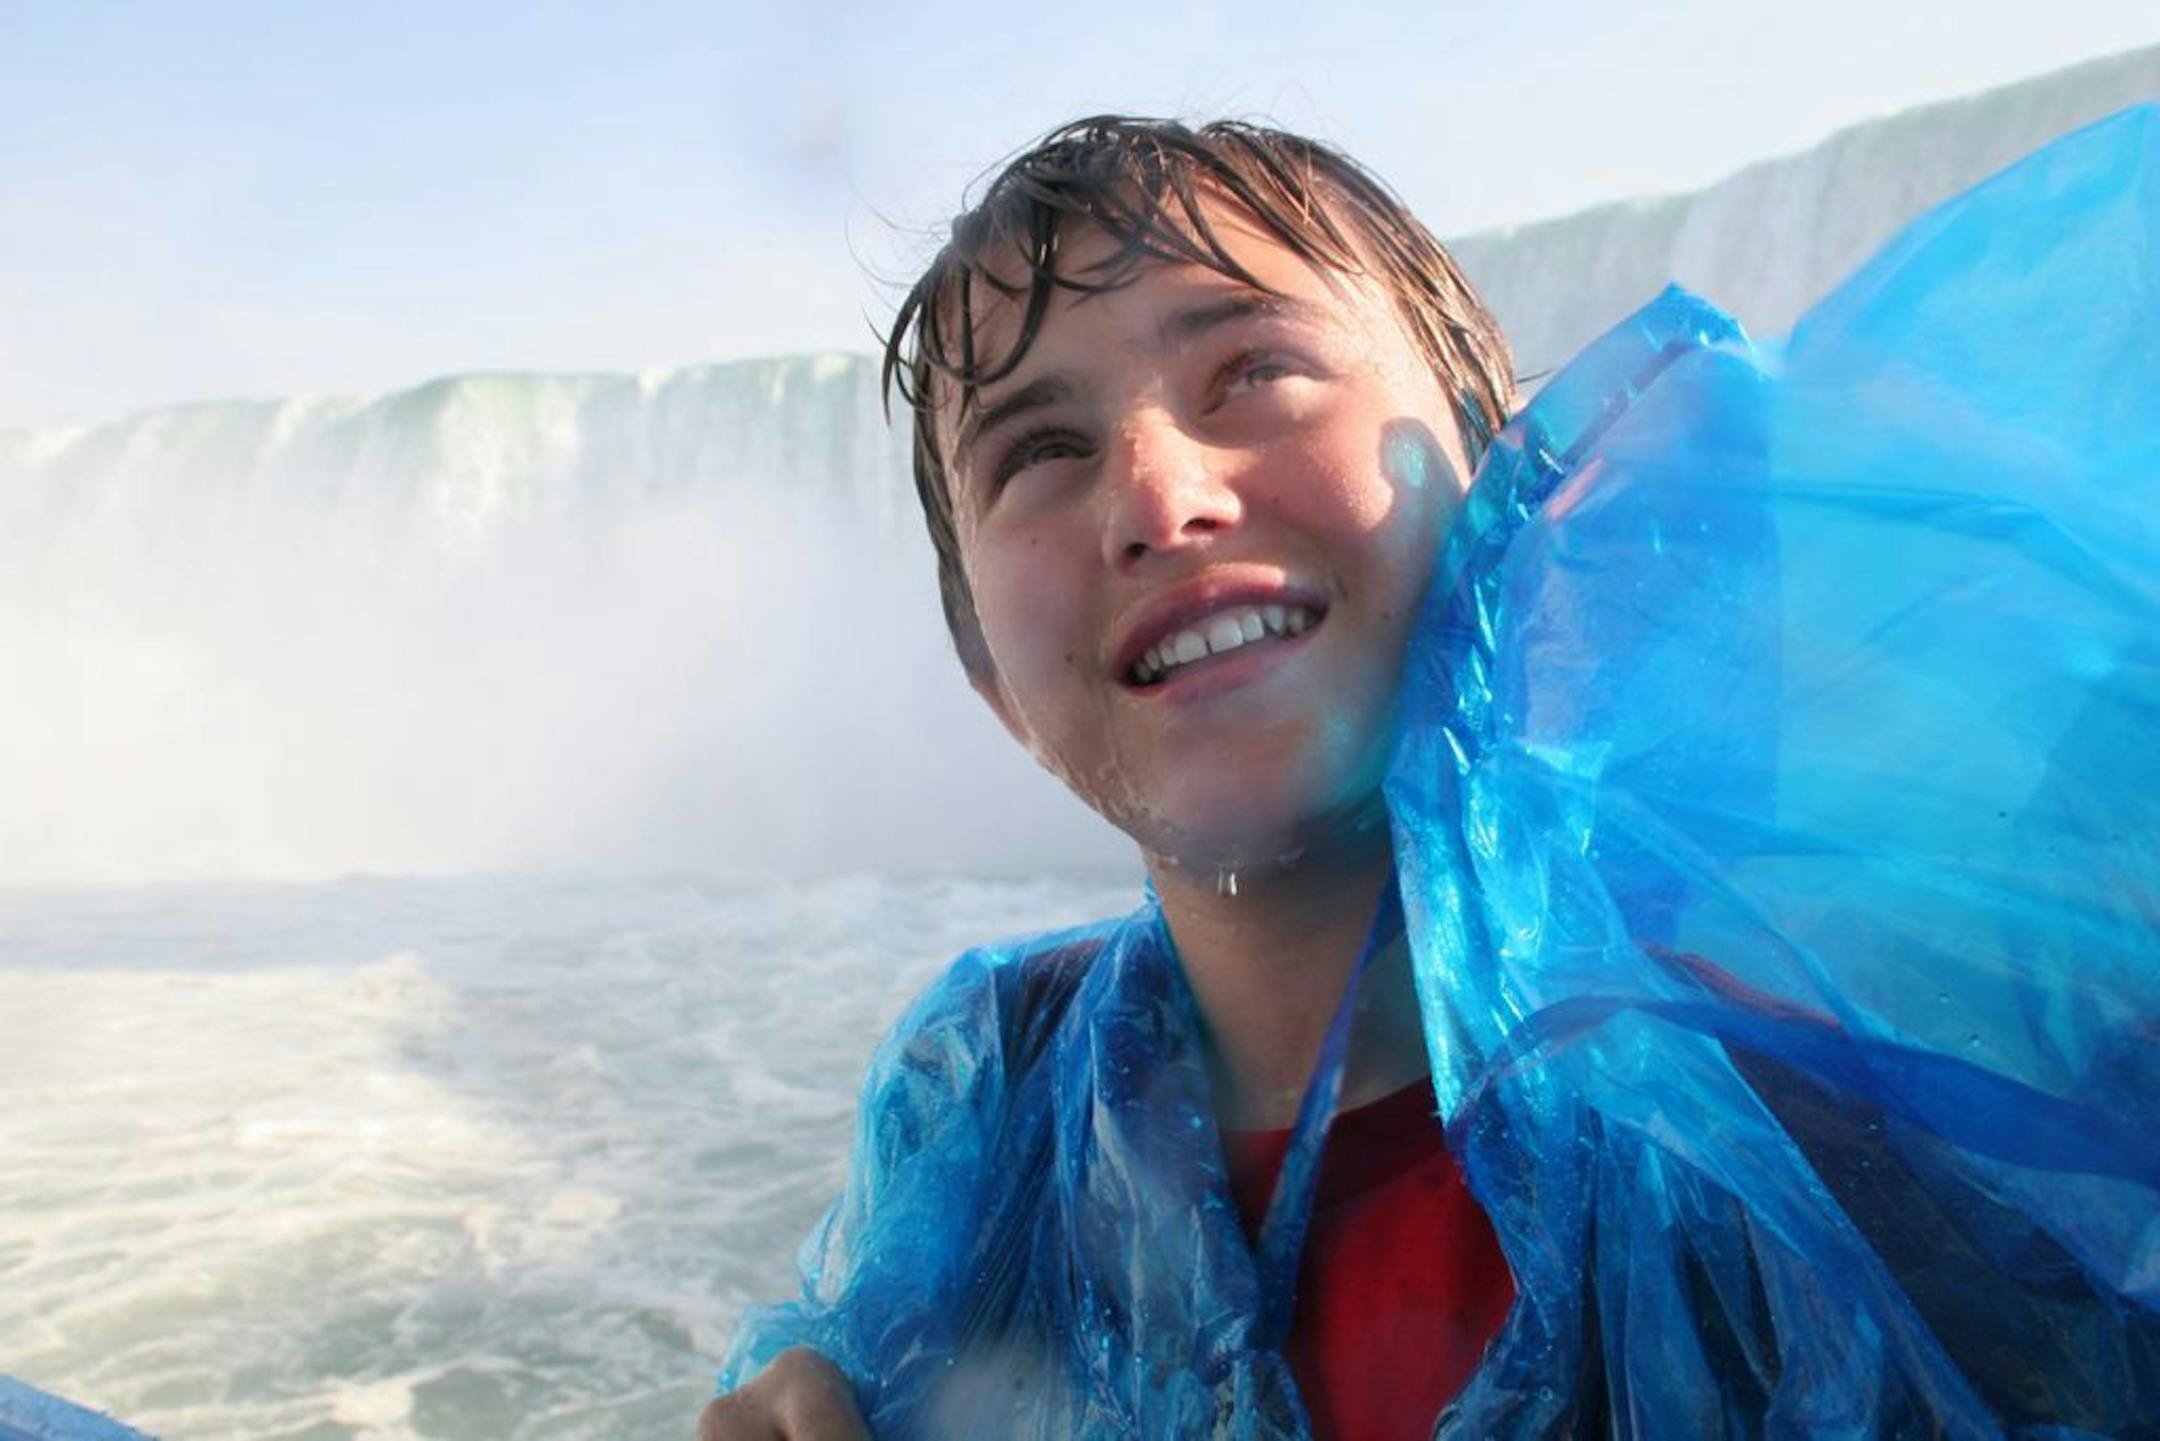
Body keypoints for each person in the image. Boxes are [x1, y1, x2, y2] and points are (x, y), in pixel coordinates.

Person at [705, 111, 2160, 1438]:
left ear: (1503, 481)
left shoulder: (1797, 1117)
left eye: (1252, 370)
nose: (1158, 493)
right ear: (991, 684)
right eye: (1040, 447)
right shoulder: (994, 1092)